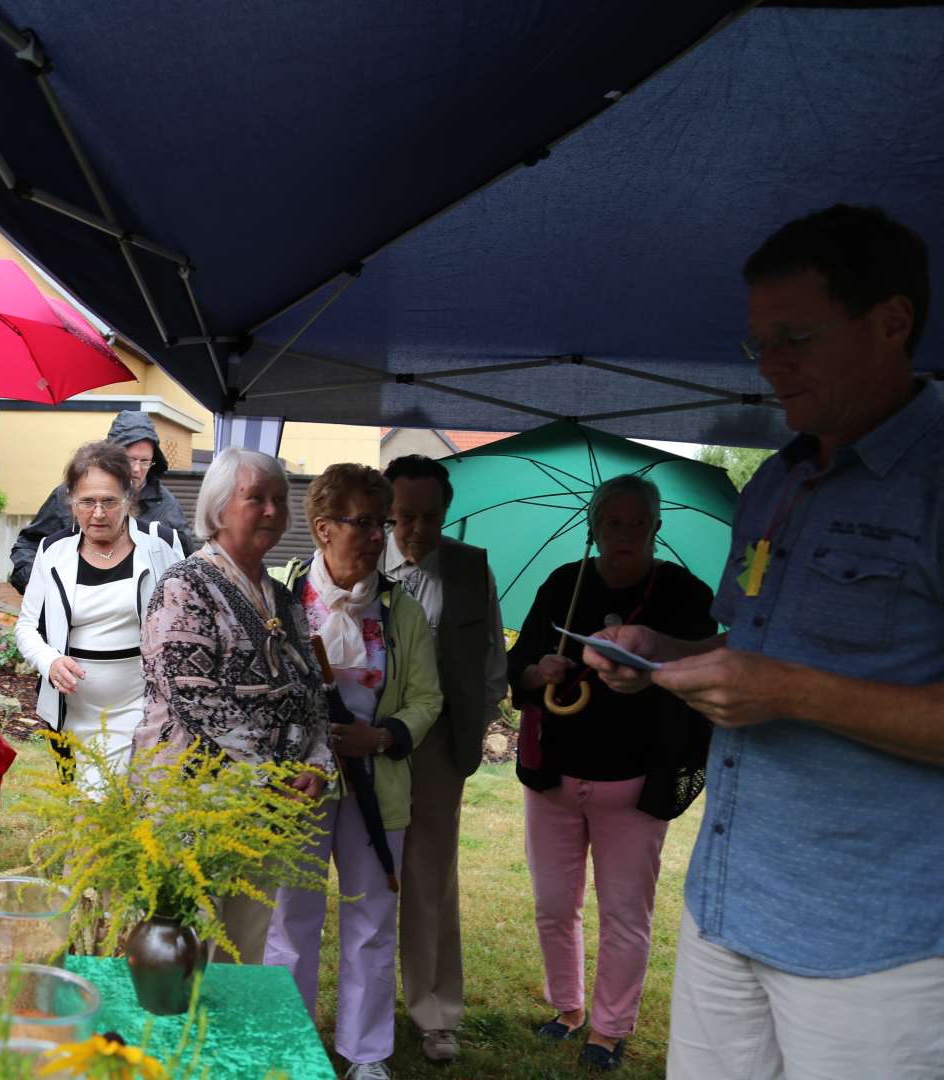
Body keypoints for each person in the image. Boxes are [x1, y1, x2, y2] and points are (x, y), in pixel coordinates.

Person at [585, 204, 944, 1080]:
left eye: (795, 337)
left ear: (891, 322)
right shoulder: (777, 483)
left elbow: (776, 676)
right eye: (758, 344)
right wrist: (657, 654)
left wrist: (789, 691)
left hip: (877, 950)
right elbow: (740, 643)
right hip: (725, 907)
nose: (770, 366)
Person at [507, 474, 715, 1071]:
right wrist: (537, 671)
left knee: (625, 913)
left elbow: (706, 668)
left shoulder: (683, 592)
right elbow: (516, 670)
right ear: (593, 527)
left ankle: (610, 1028)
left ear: (656, 528)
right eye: (611, 522)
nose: (623, 533)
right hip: (555, 776)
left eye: (635, 523)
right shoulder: (562, 586)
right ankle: (568, 1009)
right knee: (553, 903)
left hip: (633, 782)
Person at [263, 463, 442, 1080]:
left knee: (370, 921)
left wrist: (382, 736)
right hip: (299, 787)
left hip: (378, 787)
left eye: (381, 524)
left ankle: (366, 1056)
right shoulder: (281, 600)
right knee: (291, 919)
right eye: (362, 522)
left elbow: (426, 699)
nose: (376, 536)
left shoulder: (402, 611)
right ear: (321, 527)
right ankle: (288, 1045)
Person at [135, 446, 333, 963]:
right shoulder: (184, 586)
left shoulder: (284, 598)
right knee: (181, 947)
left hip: (263, 809)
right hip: (190, 801)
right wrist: (273, 774)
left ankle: (222, 1043)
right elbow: (195, 696)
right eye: (256, 498)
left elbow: (312, 692)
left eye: (279, 500)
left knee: (242, 948)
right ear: (220, 508)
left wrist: (316, 763)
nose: (271, 510)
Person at [381, 454, 507, 1064]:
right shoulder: (361, 558)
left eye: (430, 516)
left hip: (436, 748)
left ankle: (435, 1011)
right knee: (370, 875)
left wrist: (470, 734)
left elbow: (490, 665)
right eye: (405, 516)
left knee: (432, 879)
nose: (417, 530)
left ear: (447, 512)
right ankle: (367, 1002)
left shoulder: (470, 569)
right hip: (370, 746)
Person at [15, 440, 184, 789]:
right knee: (85, 813)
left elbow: (187, 623)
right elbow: (27, 626)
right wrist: (49, 661)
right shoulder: (52, 551)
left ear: (129, 497)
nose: (97, 513)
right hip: (70, 712)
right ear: (71, 500)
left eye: (109, 501)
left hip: (142, 707)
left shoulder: (161, 545)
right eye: (86, 501)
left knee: (111, 807)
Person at [9, 409, 195, 594]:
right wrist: (38, 589)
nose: (137, 469)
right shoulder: (69, 494)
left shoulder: (166, 506)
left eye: (145, 461)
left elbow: (184, 565)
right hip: (72, 608)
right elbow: (28, 546)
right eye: (130, 459)